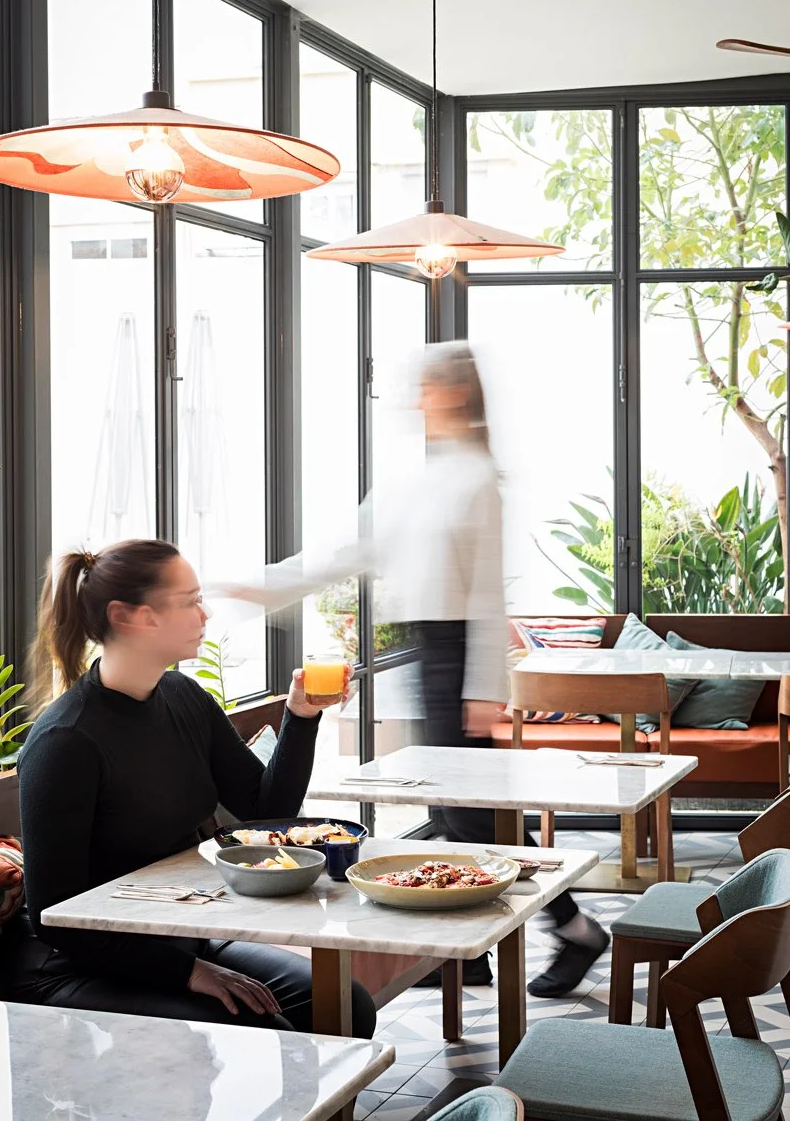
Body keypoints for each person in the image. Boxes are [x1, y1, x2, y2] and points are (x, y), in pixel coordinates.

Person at [216, 344, 608, 997]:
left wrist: (485, 689)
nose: (408, 395)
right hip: (430, 653)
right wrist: (264, 587)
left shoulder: (476, 475)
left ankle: (572, 931)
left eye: (419, 384)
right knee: (450, 811)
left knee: (472, 819)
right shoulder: (414, 475)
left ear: (450, 392)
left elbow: (486, 591)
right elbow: (351, 549)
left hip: (456, 661)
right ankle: (470, 954)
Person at [0, 538, 376, 1037]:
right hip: (72, 965)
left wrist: (300, 716)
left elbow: (265, 810)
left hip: (175, 934)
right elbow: (54, 917)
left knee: (345, 1005)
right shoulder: (65, 742)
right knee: (269, 1029)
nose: (206, 613)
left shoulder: (182, 696)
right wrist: (191, 973)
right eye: (190, 600)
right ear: (132, 617)